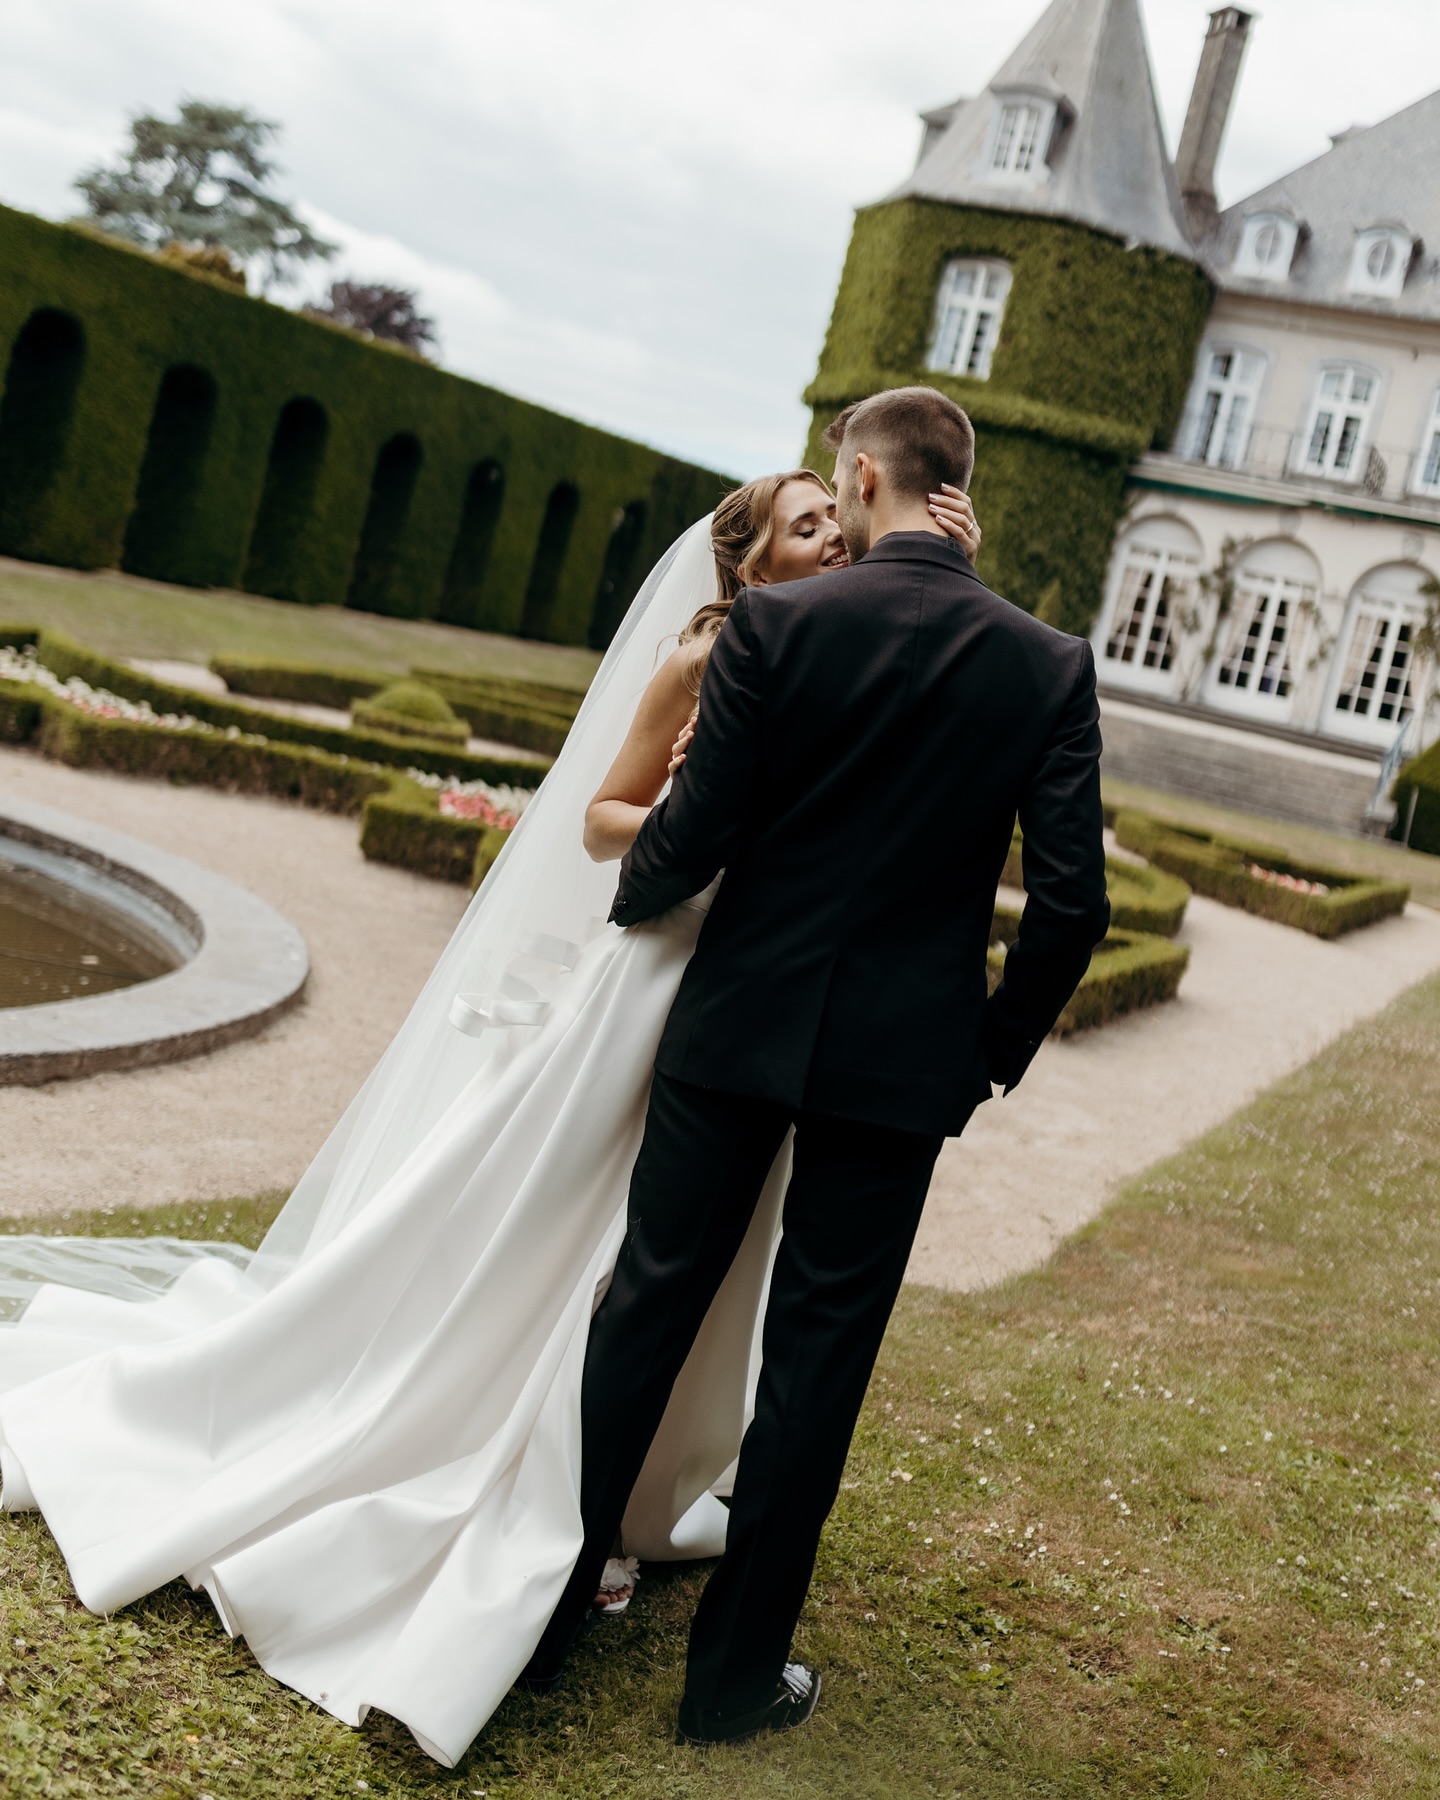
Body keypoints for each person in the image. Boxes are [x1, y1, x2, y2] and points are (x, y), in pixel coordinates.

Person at [0, 455, 983, 1767]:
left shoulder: (842, 650)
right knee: (575, 1239)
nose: (833, 541)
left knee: (691, 1261)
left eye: (839, 521)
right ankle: (515, 1485)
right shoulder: (703, 661)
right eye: (806, 528)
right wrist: (702, 831)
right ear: (748, 562)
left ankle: (624, 1500)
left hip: (758, 1014)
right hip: (659, 985)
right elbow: (601, 821)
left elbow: (945, 689)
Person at [525, 384, 1111, 1746]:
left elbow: (692, 832)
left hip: (736, 1021)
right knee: (819, 1365)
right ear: (953, 494)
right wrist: (983, 1052)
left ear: (858, 478)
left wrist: (633, 926)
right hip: (898, 1064)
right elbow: (1071, 907)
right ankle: (732, 1682)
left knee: (647, 1307)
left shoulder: (781, 621)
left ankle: (546, 1616)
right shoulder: (1047, 661)